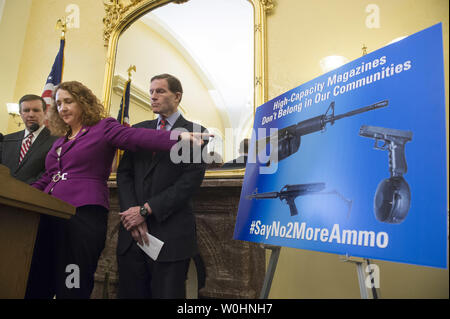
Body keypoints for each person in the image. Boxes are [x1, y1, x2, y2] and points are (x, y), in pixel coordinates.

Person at [31, 80, 208, 299]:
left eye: (69, 101)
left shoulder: (104, 127)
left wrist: (178, 136)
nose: (63, 108)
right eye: (58, 103)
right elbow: (49, 177)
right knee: (39, 277)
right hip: (50, 215)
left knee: (72, 278)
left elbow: (138, 138)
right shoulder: (60, 141)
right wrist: (18, 193)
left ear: (83, 103)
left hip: (82, 217)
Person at [116, 73, 207, 298]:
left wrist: (145, 210)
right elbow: (124, 174)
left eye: (160, 91)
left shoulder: (195, 132)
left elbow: (188, 183)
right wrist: (131, 215)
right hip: (132, 236)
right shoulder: (138, 130)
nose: (153, 97)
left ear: (177, 96)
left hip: (171, 235)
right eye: (151, 92)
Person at [0, 94, 58, 299]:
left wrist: (20, 192)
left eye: (35, 110)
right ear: (20, 113)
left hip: (34, 216)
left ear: (45, 113)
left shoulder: (56, 141)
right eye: (26, 110)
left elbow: (50, 174)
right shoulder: (7, 140)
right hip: (5, 215)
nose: (30, 115)